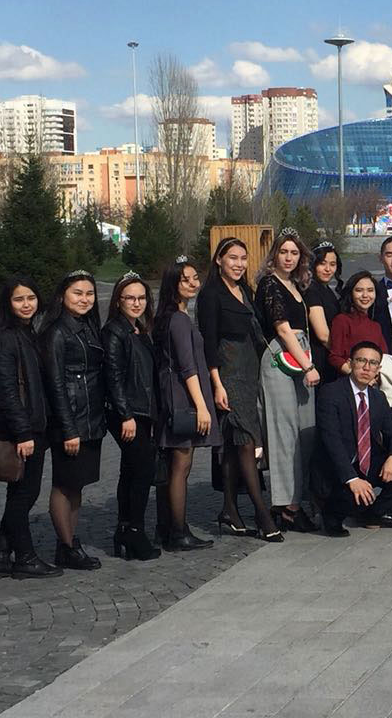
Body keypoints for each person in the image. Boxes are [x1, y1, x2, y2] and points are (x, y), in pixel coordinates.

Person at [198, 238, 281, 542]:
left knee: (234, 446)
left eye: (243, 258)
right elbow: (208, 342)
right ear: (219, 260)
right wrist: (217, 383)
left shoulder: (244, 290)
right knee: (246, 441)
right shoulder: (210, 294)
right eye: (232, 258)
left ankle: (229, 509)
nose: (239, 264)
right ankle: (261, 513)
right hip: (228, 373)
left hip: (249, 371)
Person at [0, 277, 60, 580]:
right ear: (8, 302)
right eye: (19, 299)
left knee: (23, 492)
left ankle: (0, 556)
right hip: (23, 428)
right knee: (24, 494)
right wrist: (23, 433)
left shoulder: (27, 332)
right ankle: (25, 557)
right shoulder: (5, 337)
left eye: (31, 298)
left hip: (35, 424)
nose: (27, 304)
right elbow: (7, 390)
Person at [315, 341, 392, 536]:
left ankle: (374, 514)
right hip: (339, 468)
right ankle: (332, 514)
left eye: (373, 363)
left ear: (378, 369)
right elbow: (332, 441)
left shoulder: (377, 397)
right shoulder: (331, 393)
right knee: (349, 500)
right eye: (361, 360)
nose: (366, 367)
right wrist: (352, 479)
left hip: (366, 462)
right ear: (350, 363)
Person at [40, 270, 108, 570]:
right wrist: (68, 429)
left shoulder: (88, 326)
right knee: (64, 484)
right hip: (71, 421)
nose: (84, 299)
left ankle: (67, 542)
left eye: (89, 294)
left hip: (90, 418)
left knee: (77, 484)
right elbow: (56, 384)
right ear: (62, 296)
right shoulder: (57, 332)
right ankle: (67, 545)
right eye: (77, 293)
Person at [256, 229, 319, 533]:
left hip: (301, 354)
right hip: (280, 357)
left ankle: (297, 498)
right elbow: (281, 328)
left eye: (294, 253)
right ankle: (286, 506)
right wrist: (308, 366)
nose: (289, 258)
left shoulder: (294, 284)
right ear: (275, 255)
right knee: (284, 432)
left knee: (306, 430)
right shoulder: (269, 284)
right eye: (284, 252)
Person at [153, 259, 219, 550]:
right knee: (181, 466)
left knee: (174, 467)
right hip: (183, 399)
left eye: (195, 278)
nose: (194, 284)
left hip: (175, 397)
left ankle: (167, 528)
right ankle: (178, 531)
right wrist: (202, 406)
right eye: (186, 280)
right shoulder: (178, 320)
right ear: (173, 284)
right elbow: (187, 366)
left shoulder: (171, 316)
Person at [101, 273, 163, 560]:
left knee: (131, 470)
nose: (137, 303)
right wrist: (126, 414)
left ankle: (125, 529)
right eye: (130, 298)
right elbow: (113, 376)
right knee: (142, 470)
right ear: (118, 301)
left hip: (142, 410)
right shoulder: (114, 331)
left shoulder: (139, 329)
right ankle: (135, 531)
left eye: (141, 298)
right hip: (128, 413)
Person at [330, 271, 388, 375]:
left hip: (374, 380)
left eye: (370, 290)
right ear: (351, 294)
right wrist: (356, 377)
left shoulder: (376, 326)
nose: (365, 295)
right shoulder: (342, 320)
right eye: (359, 290)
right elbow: (335, 357)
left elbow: (384, 357)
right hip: (350, 379)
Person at [305, 241, 343, 382]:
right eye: (322, 264)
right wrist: (341, 354)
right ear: (313, 264)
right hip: (320, 357)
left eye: (332, 264)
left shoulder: (327, 290)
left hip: (329, 355)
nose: (328, 269)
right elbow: (322, 335)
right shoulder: (311, 290)